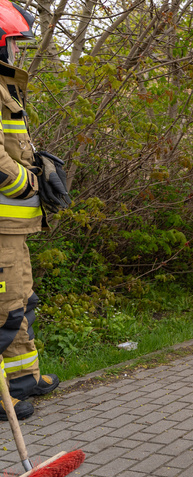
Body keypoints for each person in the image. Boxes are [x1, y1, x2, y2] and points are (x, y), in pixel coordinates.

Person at [0, 1, 60, 421]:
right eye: (13, 44)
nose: (17, 52)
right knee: (4, 311)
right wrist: (29, 182)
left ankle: (23, 381)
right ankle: (3, 398)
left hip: (12, 229)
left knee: (22, 301)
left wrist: (43, 166)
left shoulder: (5, 87)